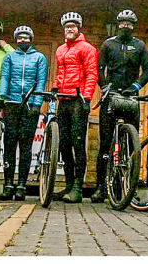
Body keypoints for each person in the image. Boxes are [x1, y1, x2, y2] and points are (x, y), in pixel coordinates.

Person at [92, 9, 148, 203]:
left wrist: (135, 87)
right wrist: (104, 86)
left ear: (133, 26)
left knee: (131, 146)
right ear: (118, 24)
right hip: (111, 96)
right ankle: (101, 188)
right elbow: (99, 68)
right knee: (105, 145)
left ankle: (127, 189)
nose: (125, 26)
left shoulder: (140, 45)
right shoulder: (108, 44)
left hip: (130, 97)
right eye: (123, 23)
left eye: (129, 23)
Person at [0, 25, 48, 201]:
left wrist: (37, 104)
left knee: (26, 146)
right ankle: (8, 184)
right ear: (16, 40)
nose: (23, 40)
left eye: (26, 37)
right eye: (20, 38)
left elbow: (41, 81)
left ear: (31, 39)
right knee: (9, 144)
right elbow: (5, 77)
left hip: (29, 106)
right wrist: (1, 96)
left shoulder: (39, 58)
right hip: (11, 103)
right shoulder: (9, 57)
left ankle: (21, 186)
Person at [53, 11, 98, 204]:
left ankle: (78, 188)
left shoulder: (87, 48)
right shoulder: (60, 49)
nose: (69, 29)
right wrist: (55, 86)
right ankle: (69, 185)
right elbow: (60, 73)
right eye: (66, 27)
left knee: (77, 143)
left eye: (72, 26)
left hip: (78, 100)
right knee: (64, 144)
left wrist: (86, 98)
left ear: (78, 28)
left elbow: (91, 74)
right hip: (63, 100)